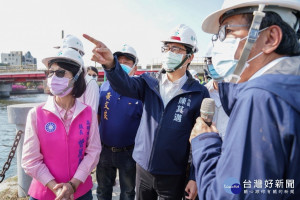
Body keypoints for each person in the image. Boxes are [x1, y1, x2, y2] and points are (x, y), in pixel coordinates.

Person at [84, 24, 209, 200]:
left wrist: (194, 177)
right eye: (166, 48)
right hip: (142, 168)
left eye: (175, 48)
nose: (169, 52)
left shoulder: (198, 93)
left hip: (173, 173)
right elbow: (124, 85)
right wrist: (111, 64)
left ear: (190, 57)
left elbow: (200, 140)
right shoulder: (149, 82)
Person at [190, 0, 300, 199]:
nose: (218, 43)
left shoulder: (261, 98)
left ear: (270, 38)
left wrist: (204, 143)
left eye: (228, 31)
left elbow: (231, 193)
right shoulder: (289, 86)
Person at [22, 48, 101, 200]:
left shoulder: (88, 113)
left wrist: (73, 185)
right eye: (50, 72)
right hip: (44, 193)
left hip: (81, 193)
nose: (53, 77)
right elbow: (30, 160)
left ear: (77, 77)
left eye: (60, 73)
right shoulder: (36, 114)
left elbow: (93, 152)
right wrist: (55, 188)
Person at [96, 44, 143, 200]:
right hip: (104, 151)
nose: (122, 63)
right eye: (119, 60)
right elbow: (96, 116)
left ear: (135, 68)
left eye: (127, 61)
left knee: (128, 192)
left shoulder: (140, 91)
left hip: (129, 152)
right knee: (103, 191)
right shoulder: (103, 87)